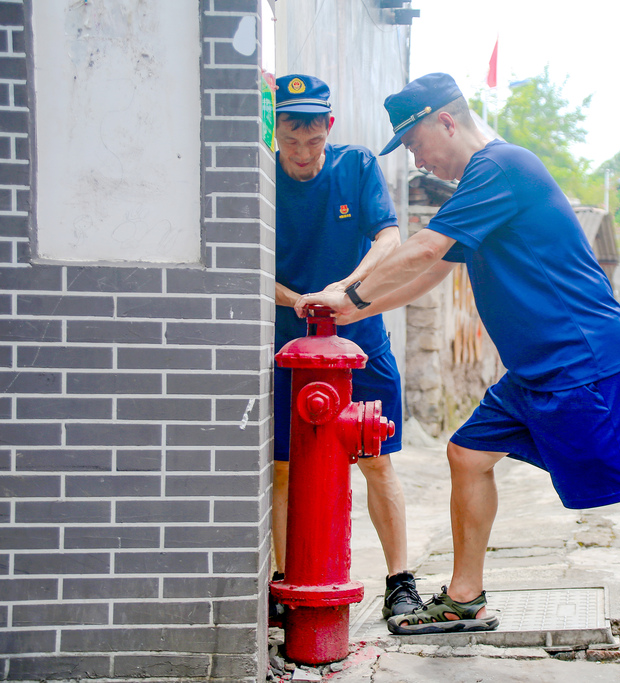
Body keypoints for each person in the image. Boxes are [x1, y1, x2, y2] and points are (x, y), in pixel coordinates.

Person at [294, 73, 620, 678]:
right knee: (467, 454)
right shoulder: (480, 185)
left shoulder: (500, 167)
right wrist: (352, 308)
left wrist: (348, 290)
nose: (416, 159)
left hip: (583, 362)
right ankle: (465, 600)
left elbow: (418, 251)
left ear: (446, 121)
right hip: (534, 370)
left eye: (415, 143)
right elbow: (431, 274)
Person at [271, 73, 422, 619]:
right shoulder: (261, 177)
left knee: (376, 461)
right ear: (276, 130)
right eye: (291, 141)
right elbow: (247, 259)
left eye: (313, 141)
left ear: (328, 128)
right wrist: (297, 300)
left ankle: (400, 581)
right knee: (283, 466)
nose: (302, 154)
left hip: (360, 340)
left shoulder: (355, 165)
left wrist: (343, 291)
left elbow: (390, 237)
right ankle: (287, 578)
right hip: (291, 344)